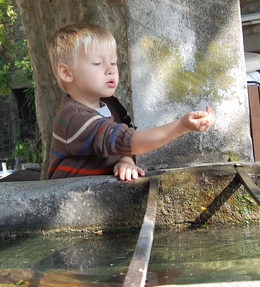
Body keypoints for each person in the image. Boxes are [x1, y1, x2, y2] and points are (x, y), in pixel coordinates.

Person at [48, 22, 216, 181]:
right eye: (98, 63)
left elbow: (124, 145)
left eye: (113, 62)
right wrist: (182, 126)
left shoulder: (111, 104)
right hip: (68, 197)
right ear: (67, 73)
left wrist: (126, 160)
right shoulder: (74, 118)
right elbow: (130, 142)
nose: (111, 69)